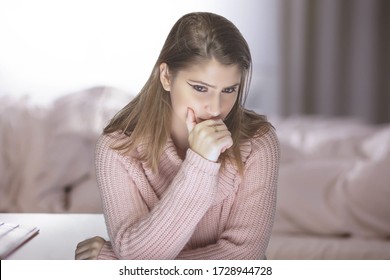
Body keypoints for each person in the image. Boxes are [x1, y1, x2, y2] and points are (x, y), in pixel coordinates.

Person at [75, 11, 280, 260]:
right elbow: (141, 260)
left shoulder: (259, 143)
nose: (216, 108)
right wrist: (200, 165)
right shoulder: (117, 148)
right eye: (200, 88)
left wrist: (115, 261)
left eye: (229, 90)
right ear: (166, 77)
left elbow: (243, 257)